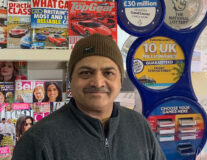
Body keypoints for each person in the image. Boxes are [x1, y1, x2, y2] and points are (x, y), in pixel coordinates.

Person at [12, 34, 166, 160]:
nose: (98, 82)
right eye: (86, 73)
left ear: (120, 80)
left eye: (108, 73)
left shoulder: (139, 125)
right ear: (71, 80)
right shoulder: (37, 141)